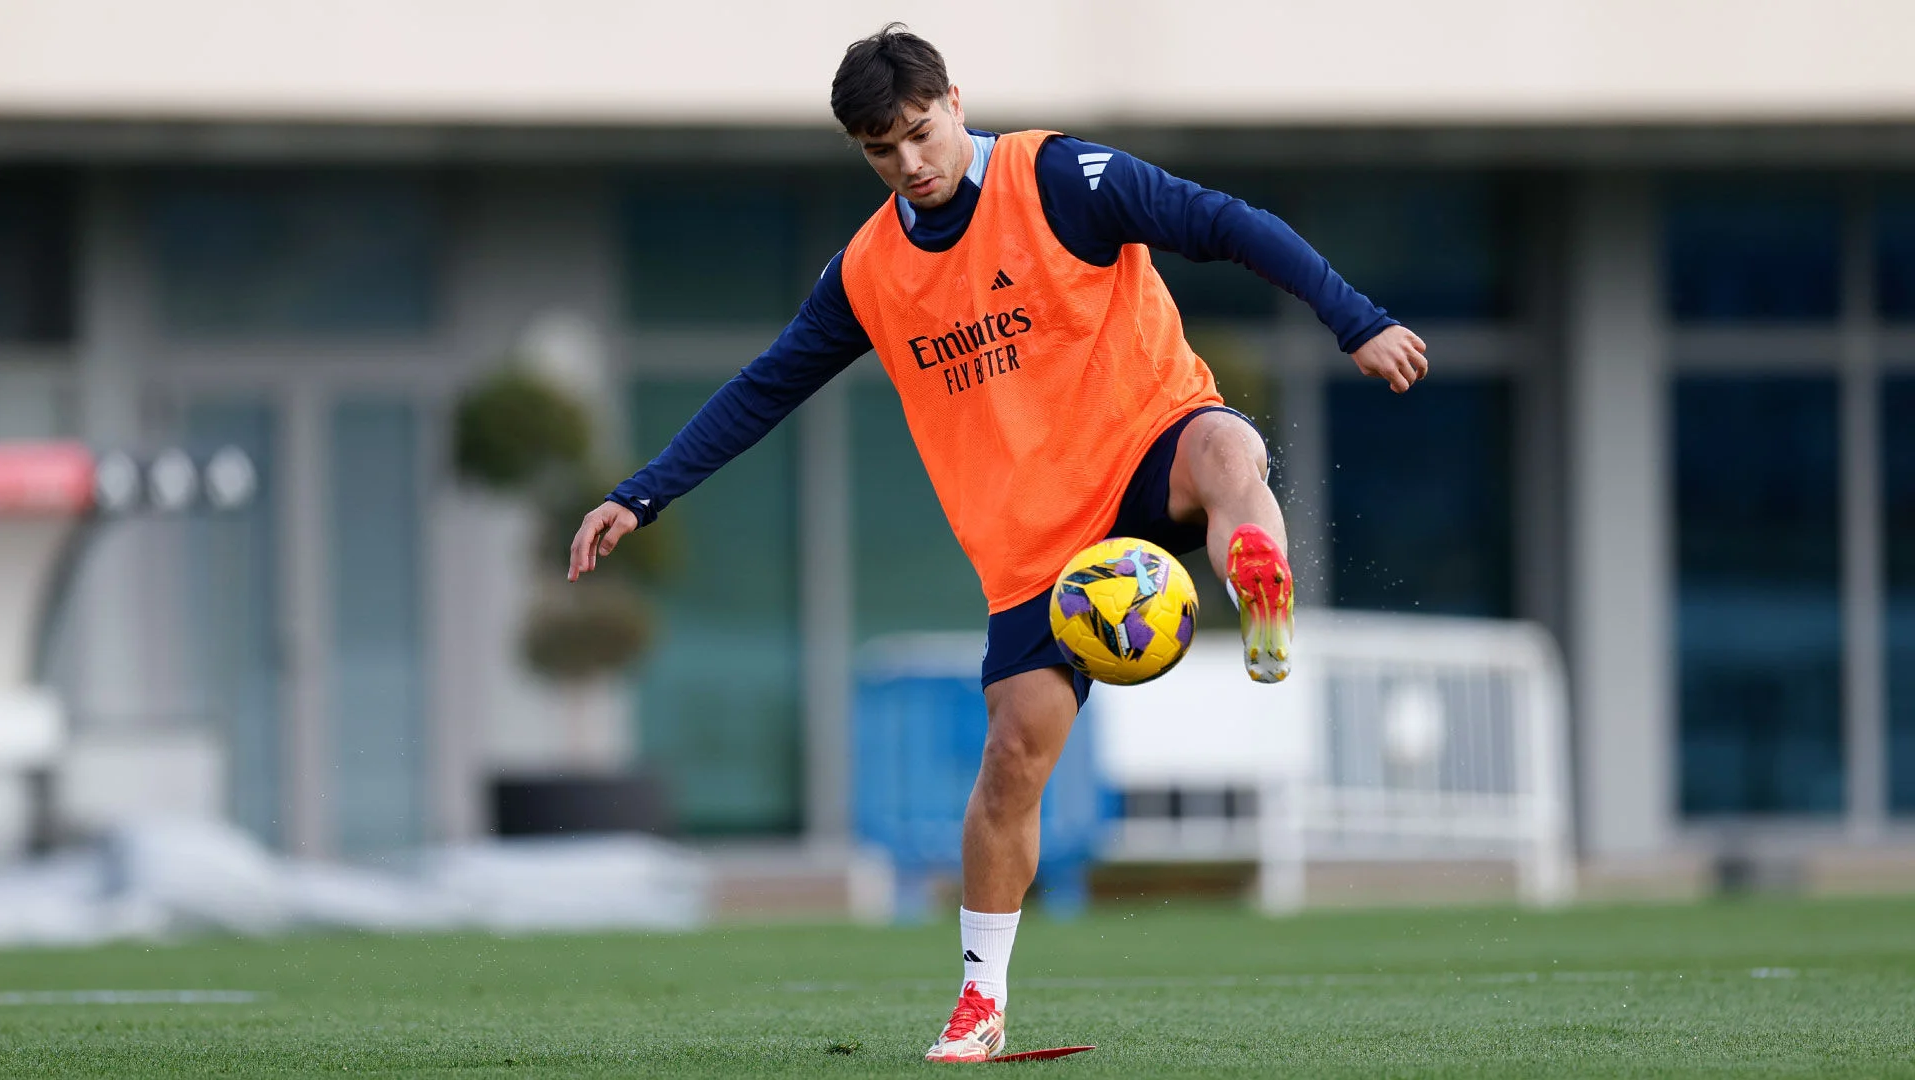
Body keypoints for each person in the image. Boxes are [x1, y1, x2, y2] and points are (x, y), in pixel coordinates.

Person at [567, 24, 1428, 1063]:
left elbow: (1225, 222)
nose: (911, 165)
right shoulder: (870, 271)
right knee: (1013, 762)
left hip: (1146, 439)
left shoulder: (1061, 177)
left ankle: (1261, 594)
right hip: (1039, 544)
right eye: (882, 151)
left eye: (922, 134)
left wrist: (1358, 321)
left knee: (1223, 449)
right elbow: (767, 386)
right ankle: (981, 1000)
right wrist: (644, 493)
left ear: (956, 102)